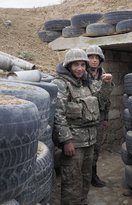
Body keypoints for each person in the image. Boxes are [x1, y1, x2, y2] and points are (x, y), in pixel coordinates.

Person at [52, 48, 112, 205]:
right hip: (74, 143)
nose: (80, 69)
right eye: (75, 65)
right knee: (72, 179)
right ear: (68, 66)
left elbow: (101, 102)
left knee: (86, 176)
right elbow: (58, 115)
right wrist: (66, 141)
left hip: (90, 140)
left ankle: (82, 201)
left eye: (82, 65)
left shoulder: (87, 83)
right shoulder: (61, 84)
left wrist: (106, 85)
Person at [86, 45, 114, 187]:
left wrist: (105, 118)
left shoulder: (104, 76)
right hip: (84, 120)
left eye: (97, 57)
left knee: (96, 149)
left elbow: (106, 100)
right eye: (91, 57)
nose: (94, 60)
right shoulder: (81, 75)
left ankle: (93, 176)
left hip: (98, 119)